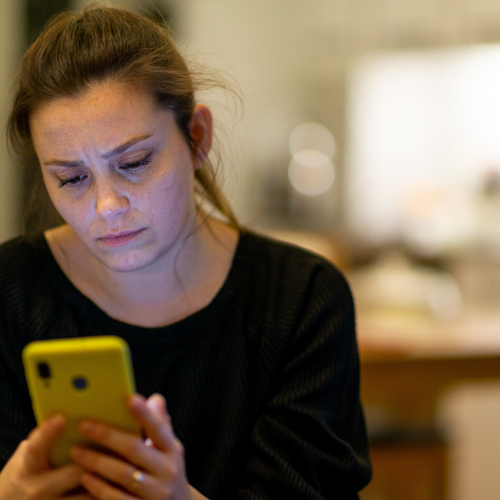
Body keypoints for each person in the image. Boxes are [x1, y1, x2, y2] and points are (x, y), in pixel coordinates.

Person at [0, 5, 371, 499]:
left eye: (133, 162)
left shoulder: (301, 299)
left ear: (196, 138)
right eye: (71, 178)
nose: (107, 206)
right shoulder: (9, 292)